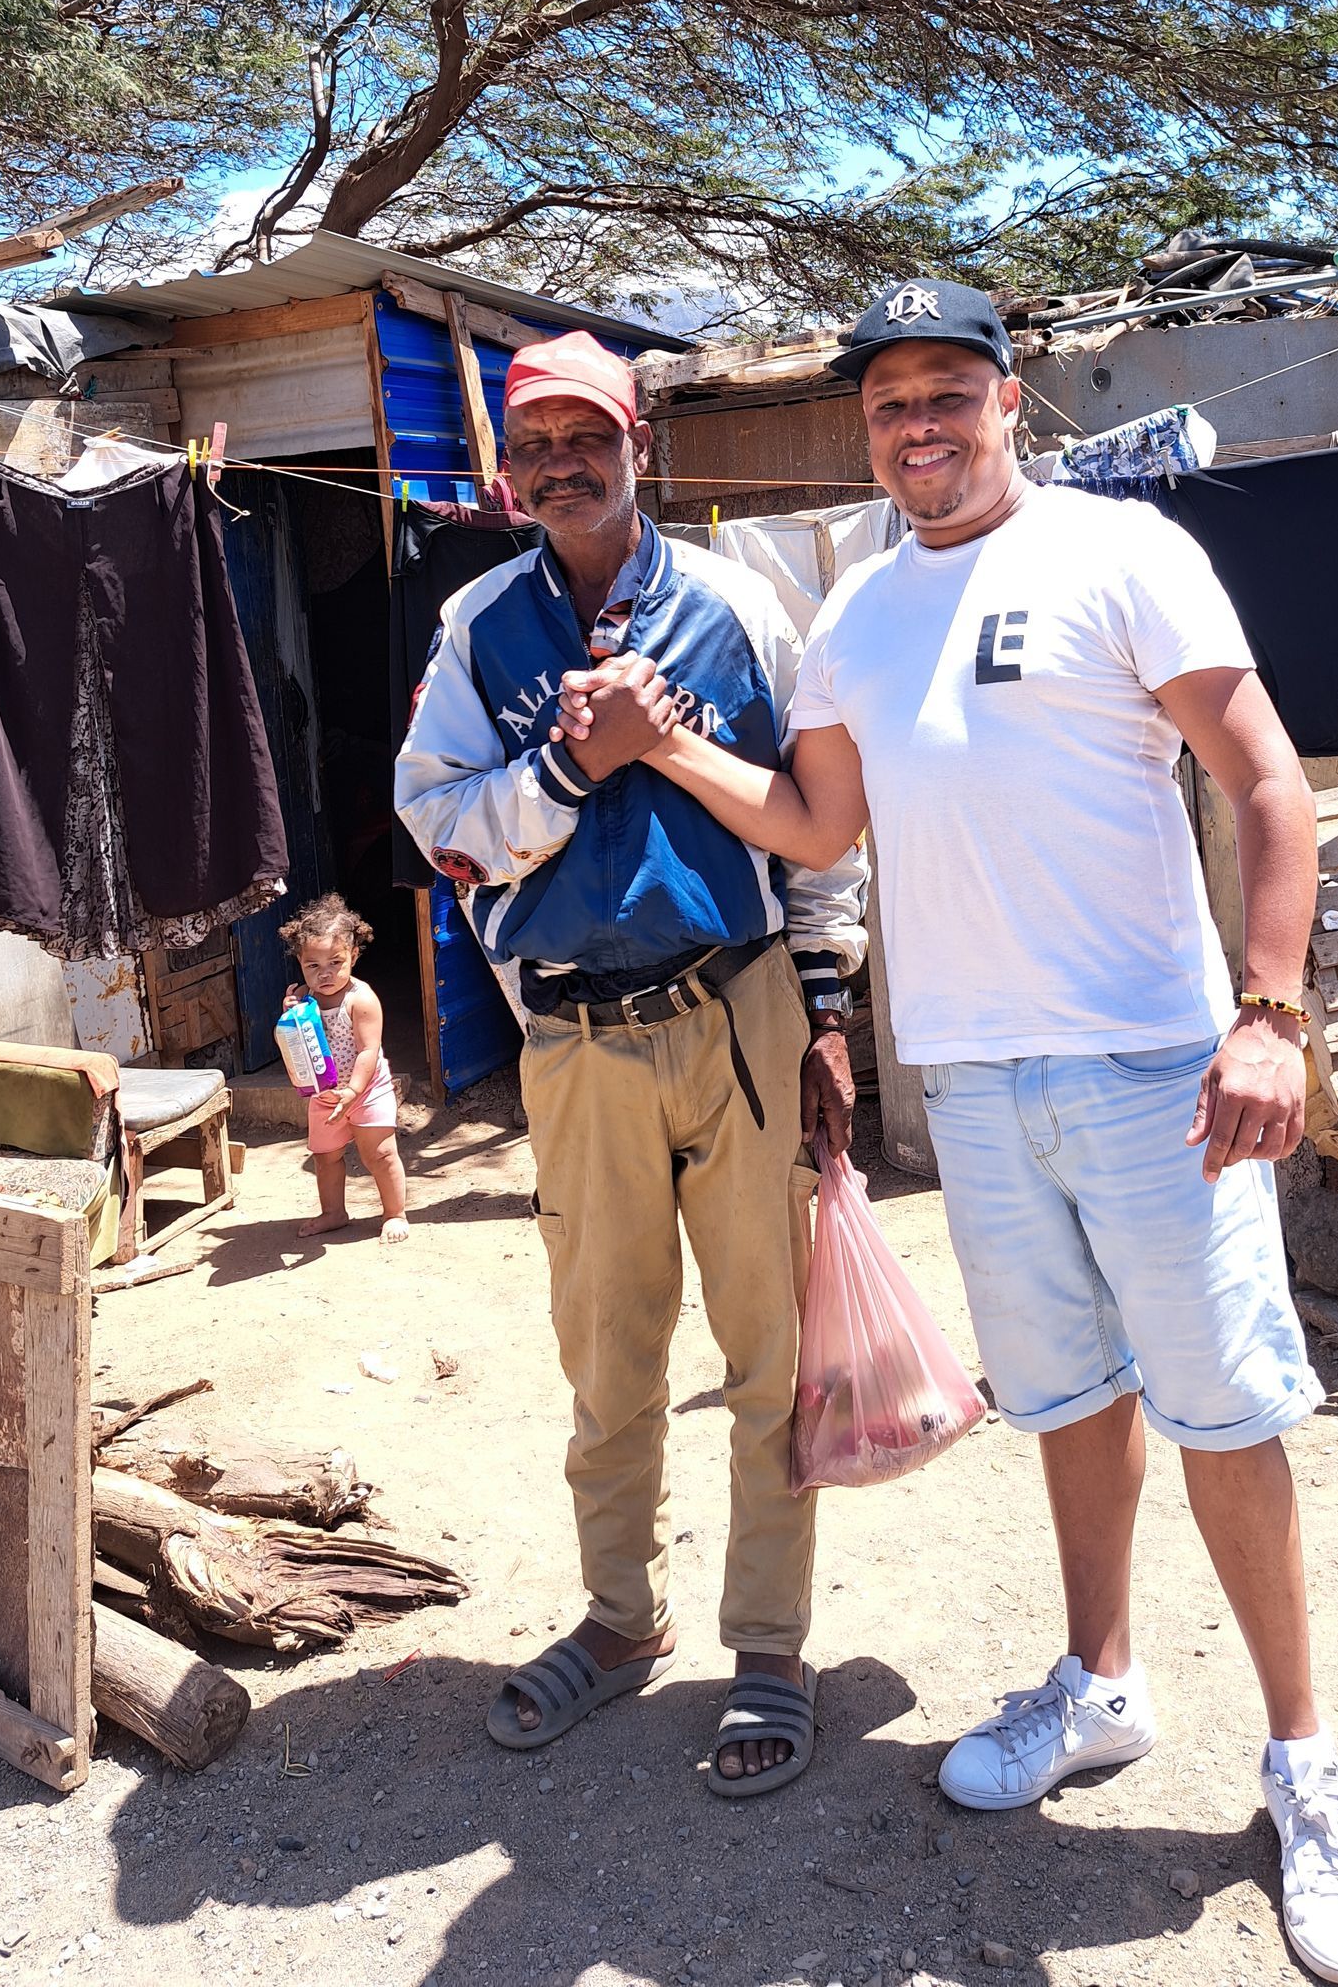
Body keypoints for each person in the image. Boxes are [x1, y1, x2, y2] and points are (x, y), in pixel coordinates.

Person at [556, 281, 1338, 1984]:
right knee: (1066, 1400)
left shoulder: (1120, 555)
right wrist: (666, 748)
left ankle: (1305, 1764)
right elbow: (816, 824)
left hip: (1158, 1072)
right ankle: (1101, 1684)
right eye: (890, 404)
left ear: (1013, 401)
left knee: (1225, 1415)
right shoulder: (858, 613)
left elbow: (1268, 785)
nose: (918, 425)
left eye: (949, 391)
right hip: (977, 1086)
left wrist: (1269, 1013)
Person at [394, 331, 866, 1797]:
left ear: (636, 448)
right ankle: (619, 1617)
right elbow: (436, 820)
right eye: (534, 445)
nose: (560, 466)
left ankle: (770, 1643)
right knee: (607, 1351)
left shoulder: (738, 607)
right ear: (506, 470)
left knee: (770, 1353)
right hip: (577, 1043)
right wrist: (567, 770)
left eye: (585, 438)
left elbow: (820, 816)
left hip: (739, 1015)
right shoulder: (479, 628)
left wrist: (828, 1005)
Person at [280, 893, 409, 1244]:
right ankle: (333, 1213)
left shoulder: (361, 999)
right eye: (313, 965)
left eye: (335, 962)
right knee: (325, 1157)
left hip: (367, 1090)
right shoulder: (304, 998)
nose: (324, 974)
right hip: (324, 1094)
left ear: (353, 956)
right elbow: (294, 1038)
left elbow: (368, 1051)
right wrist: (290, 1012)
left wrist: (353, 1091)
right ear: (300, 961)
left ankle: (395, 1213)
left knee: (380, 1154)